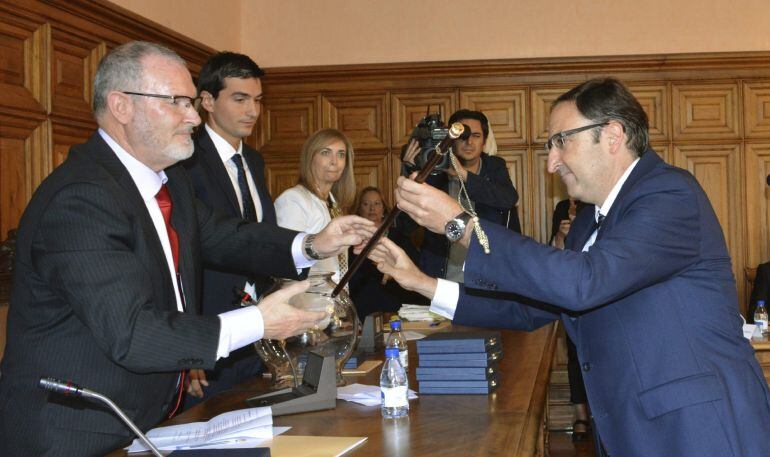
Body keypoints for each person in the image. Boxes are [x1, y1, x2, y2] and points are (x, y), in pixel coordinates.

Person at [0, 41, 374, 457]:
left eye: (192, 102)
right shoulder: (81, 198)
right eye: (177, 102)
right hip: (75, 432)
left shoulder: (169, 181)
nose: (194, 117)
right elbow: (132, 332)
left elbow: (228, 235)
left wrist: (313, 243)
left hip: (148, 419)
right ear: (121, 106)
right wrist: (258, 322)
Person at [371, 78, 770, 456]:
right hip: (629, 428)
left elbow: (584, 283)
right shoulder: (589, 220)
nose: (552, 163)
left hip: (696, 429)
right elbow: (529, 307)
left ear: (612, 135)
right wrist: (420, 282)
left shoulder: (669, 194)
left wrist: (460, 226)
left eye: (561, 141)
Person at [181, 52, 273, 408]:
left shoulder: (254, 160)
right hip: (207, 338)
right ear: (206, 100)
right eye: (240, 99)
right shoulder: (184, 159)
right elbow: (180, 259)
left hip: (253, 334)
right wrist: (188, 347)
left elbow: (260, 240)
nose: (252, 110)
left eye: (257, 100)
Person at [400, 109, 520, 283]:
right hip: (442, 277)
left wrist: (462, 174)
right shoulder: (435, 170)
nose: (469, 142)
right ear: (451, 140)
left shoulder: (494, 167)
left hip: (487, 276)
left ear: (484, 141)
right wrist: (411, 172)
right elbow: (407, 226)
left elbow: (508, 199)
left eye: (476, 136)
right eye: (462, 136)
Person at [274, 128, 356, 283]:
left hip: (333, 301)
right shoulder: (293, 200)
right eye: (326, 152)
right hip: (305, 301)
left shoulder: (334, 205)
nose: (334, 161)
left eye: (341, 154)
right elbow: (285, 261)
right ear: (310, 157)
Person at [549, 198, 592, 442]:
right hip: (571, 291)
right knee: (575, 355)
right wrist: (561, 235)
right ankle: (580, 415)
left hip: (599, 288)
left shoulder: (603, 204)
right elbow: (554, 253)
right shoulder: (562, 207)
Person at [348, 186, 427, 318]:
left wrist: (390, 275)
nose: (372, 208)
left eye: (377, 203)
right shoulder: (351, 240)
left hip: (395, 305)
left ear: (383, 208)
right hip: (362, 307)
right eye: (366, 204)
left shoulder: (399, 238)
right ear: (359, 209)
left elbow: (416, 270)